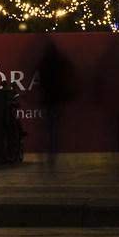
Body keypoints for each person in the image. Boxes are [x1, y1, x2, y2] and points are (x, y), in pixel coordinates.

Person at [36, 40, 76, 168]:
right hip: (57, 100)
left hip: (48, 100)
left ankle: (50, 152)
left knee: (49, 128)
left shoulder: (43, 65)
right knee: (56, 128)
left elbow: (40, 82)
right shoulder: (60, 64)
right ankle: (54, 151)